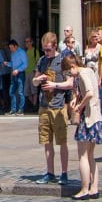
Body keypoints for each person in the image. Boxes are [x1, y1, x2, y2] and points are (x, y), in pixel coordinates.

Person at [32, 32, 72, 185]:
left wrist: (55, 85)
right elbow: (34, 82)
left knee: (62, 141)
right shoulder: (42, 61)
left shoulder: (63, 60)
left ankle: (64, 173)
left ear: (55, 46)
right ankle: (50, 172)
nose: (46, 53)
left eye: (48, 50)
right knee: (46, 141)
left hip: (58, 106)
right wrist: (38, 79)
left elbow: (70, 83)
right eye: (44, 50)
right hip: (44, 106)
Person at [67, 53, 102, 200]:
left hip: (88, 118)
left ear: (73, 66)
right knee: (90, 155)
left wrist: (79, 107)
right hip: (96, 117)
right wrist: (77, 99)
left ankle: (84, 189)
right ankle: (94, 188)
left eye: (69, 72)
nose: (70, 75)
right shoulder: (90, 70)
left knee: (82, 155)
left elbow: (89, 92)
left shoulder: (82, 74)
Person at [7, 39, 31, 114]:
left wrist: (18, 70)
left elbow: (25, 64)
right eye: (10, 48)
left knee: (20, 92)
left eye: (12, 48)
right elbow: (13, 64)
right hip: (13, 74)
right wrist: (8, 64)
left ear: (16, 46)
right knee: (11, 92)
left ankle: (21, 109)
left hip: (20, 73)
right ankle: (13, 109)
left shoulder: (22, 52)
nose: (11, 49)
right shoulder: (12, 53)